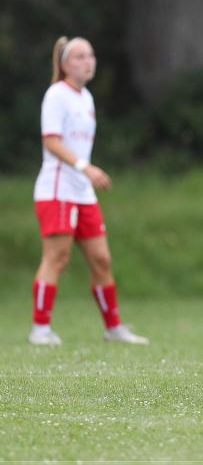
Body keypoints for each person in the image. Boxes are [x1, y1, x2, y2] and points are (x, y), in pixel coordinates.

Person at [30, 36, 149, 346]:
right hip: (57, 188)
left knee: (102, 259)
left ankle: (114, 329)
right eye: (80, 56)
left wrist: (85, 173)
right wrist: (86, 167)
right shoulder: (56, 95)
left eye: (91, 55)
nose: (88, 61)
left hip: (82, 191)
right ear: (65, 64)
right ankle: (40, 329)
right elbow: (51, 141)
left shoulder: (86, 98)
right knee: (58, 257)